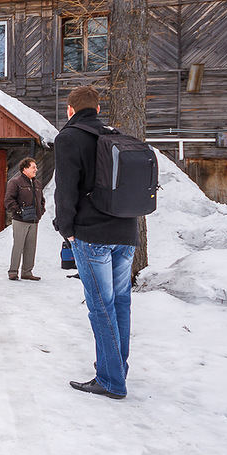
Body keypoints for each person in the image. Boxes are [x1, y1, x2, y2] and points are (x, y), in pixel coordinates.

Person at [54, 85, 139, 400]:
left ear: (70, 110)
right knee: (120, 304)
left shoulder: (69, 138)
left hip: (92, 235)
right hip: (126, 233)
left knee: (100, 307)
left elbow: (66, 189)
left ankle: (111, 380)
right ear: (98, 110)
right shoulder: (115, 136)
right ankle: (116, 368)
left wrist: (67, 229)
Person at [4, 156, 45, 281]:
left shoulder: (37, 184)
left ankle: (27, 272)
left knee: (31, 247)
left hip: (33, 220)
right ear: (25, 168)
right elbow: (8, 200)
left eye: (36, 167)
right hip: (20, 220)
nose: (36, 169)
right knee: (18, 246)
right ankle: (13, 272)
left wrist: (41, 211)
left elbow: (42, 200)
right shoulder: (15, 182)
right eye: (33, 167)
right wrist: (19, 211)